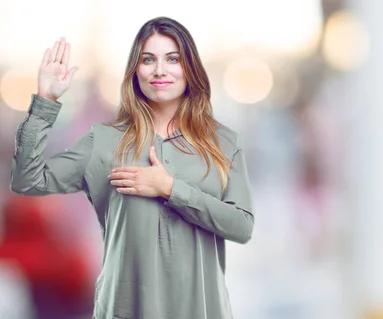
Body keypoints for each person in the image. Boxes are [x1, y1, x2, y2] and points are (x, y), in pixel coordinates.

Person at [10, 16, 254, 319]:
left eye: (173, 59)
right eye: (148, 59)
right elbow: (27, 180)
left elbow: (242, 226)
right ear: (135, 71)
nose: (160, 70)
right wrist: (45, 101)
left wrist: (170, 188)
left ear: (190, 67)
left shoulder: (222, 143)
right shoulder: (103, 141)